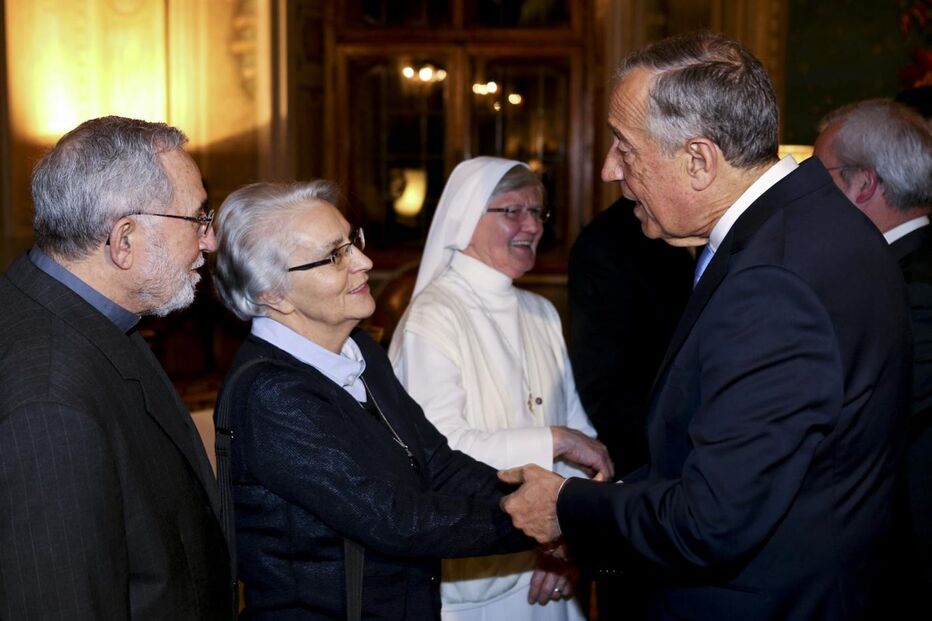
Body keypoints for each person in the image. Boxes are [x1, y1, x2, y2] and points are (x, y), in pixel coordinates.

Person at [499, 32, 911, 620]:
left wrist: (568, 507)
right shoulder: (809, 224)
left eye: (624, 146)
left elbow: (713, 519)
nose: (609, 169)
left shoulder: (776, 279)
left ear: (698, 160)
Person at [211, 180, 533, 620]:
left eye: (352, 241)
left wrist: (536, 496)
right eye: (334, 256)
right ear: (273, 294)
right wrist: (532, 520)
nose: (364, 262)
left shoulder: (360, 350)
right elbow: (394, 520)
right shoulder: (272, 394)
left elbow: (438, 463)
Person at [0, 116, 231, 618]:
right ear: (123, 239)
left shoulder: (84, 313)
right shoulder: (51, 404)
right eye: (197, 219)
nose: (209, 241)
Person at [389, 157, 612, 621]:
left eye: (538, 212)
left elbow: (581, 436)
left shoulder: (541, 312)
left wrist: (565, 540)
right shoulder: (434, 317)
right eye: (512, 210)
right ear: (467, 218)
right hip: (471, 589)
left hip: (546, 579)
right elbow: (439, 454)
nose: (531, 224)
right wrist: (553, 440)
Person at [814, 97, 932, 609]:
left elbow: (848, 418)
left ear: (863, 184)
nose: (808, 200)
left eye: (819, 181)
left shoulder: (910, 289)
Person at [567, 198, 693, 619]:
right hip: (643, 484)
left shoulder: (706, 231)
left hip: (698, 487)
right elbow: (602, 387)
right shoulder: (607, 243)